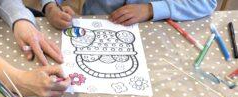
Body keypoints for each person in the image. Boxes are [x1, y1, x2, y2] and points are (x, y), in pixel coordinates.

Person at [42, 0, 217, 29]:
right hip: (96, 23)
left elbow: (206, 2)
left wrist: (151, 9)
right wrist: (50, 7)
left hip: (155, 33)